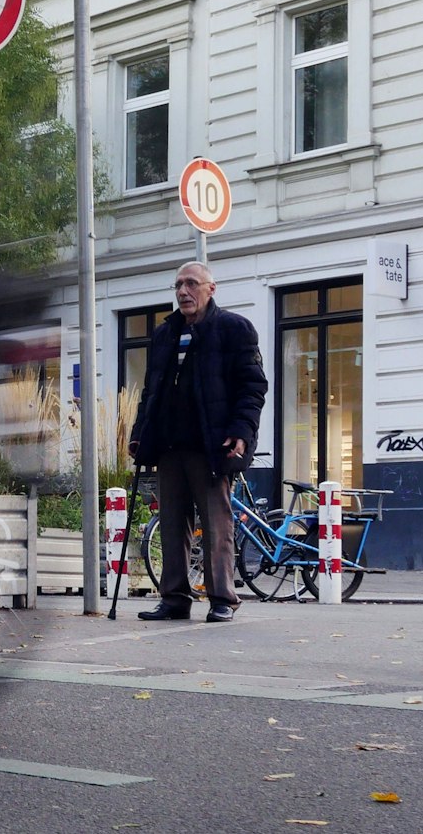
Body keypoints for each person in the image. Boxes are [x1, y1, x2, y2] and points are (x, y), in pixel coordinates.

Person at [127, 261, 267, 623]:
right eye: (178, 285)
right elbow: (151, 391)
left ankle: (222, 597)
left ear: (211, 289)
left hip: (211, 444)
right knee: (172, 523)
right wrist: (139, 433)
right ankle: (174, 598)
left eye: (191, 284)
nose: (183, 292)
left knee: (216, 523)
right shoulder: (165, 333)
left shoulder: (233, 329)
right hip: (169, 444)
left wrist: (242, 432)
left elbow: (252, 387)